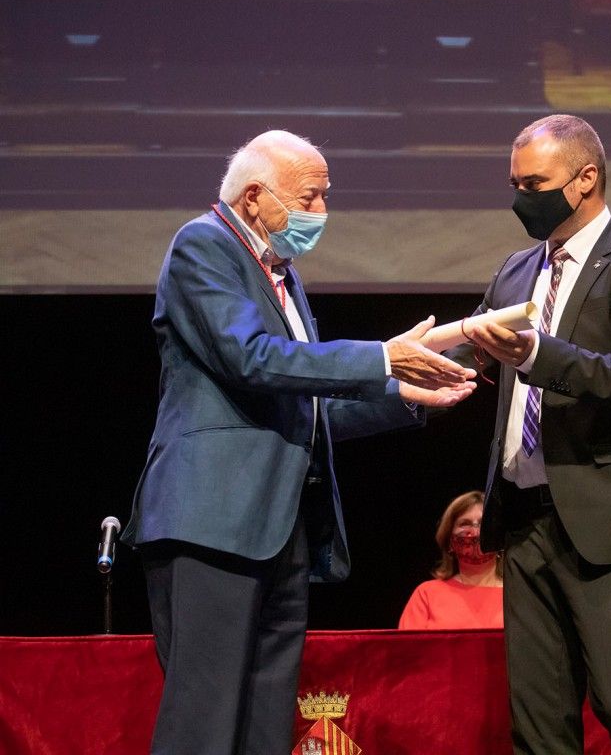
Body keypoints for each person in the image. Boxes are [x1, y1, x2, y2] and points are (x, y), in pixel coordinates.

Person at [121, 130, 476, 755]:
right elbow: (251, 360)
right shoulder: (201, 246)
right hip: (214, 520)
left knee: (267, 722)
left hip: (278, 526)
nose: (321, 213)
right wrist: (381, 358)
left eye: (324, 197)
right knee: (204, 722)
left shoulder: (283, 276)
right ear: (255, 197)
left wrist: (402, 396)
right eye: (309, 198)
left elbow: (299, 408)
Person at [450, 114, 611, 754]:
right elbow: (477, 351)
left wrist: (536, 355)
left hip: (607, 525)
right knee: (538, 720)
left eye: (535, 183)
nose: (520, 198)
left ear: (585, 179)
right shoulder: (515, 269)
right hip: (525, 518)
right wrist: (433, 358)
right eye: (515, 183)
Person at [399, 490, 503, 630]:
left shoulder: (518, 595)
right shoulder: (427, 594)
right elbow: (406, 650)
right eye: (464, 524)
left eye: (483, 523)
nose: (475, 532)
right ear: (449, 541)